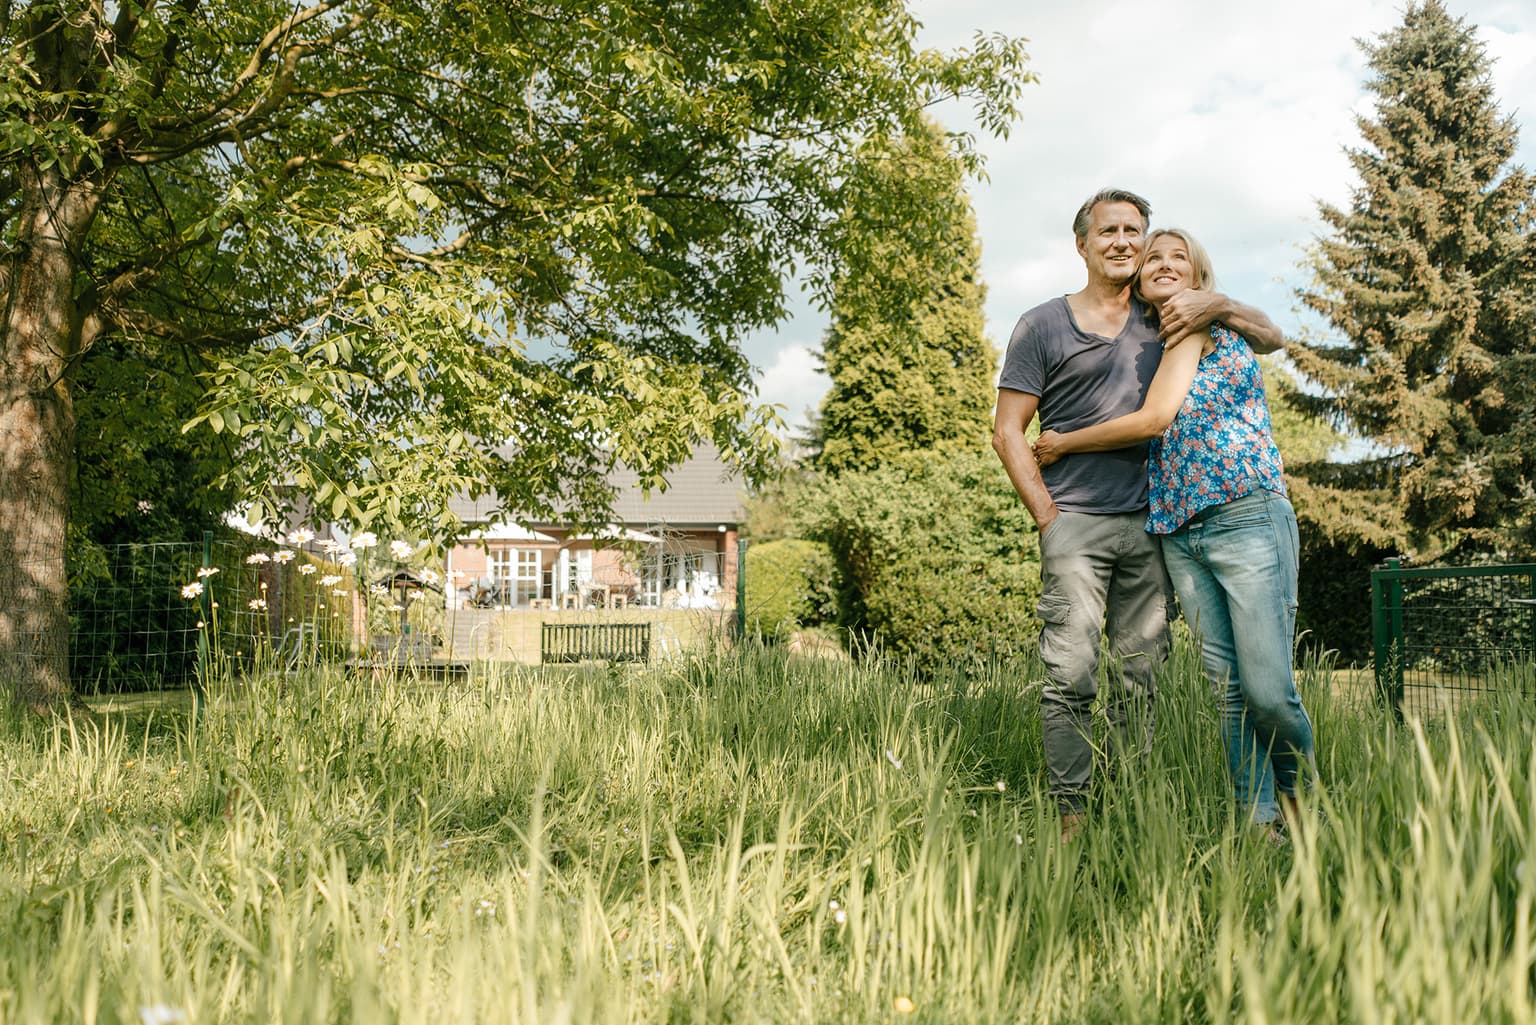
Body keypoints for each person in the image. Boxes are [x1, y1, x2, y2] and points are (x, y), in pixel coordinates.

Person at [992, 188, 1285, 839]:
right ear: (1082, 244)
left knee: (1140, 678)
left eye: (1134, 231)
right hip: (1076, 523)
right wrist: (1047, 515)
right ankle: (1072, 816)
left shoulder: (1166, 318)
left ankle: (1124, 806)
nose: (1123, 241)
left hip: (1154, 526)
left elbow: (1270, 337)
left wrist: (1221, 302)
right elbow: (1008, 430)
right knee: (1071, 674)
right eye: (1109, 231)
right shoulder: (1042, 325)